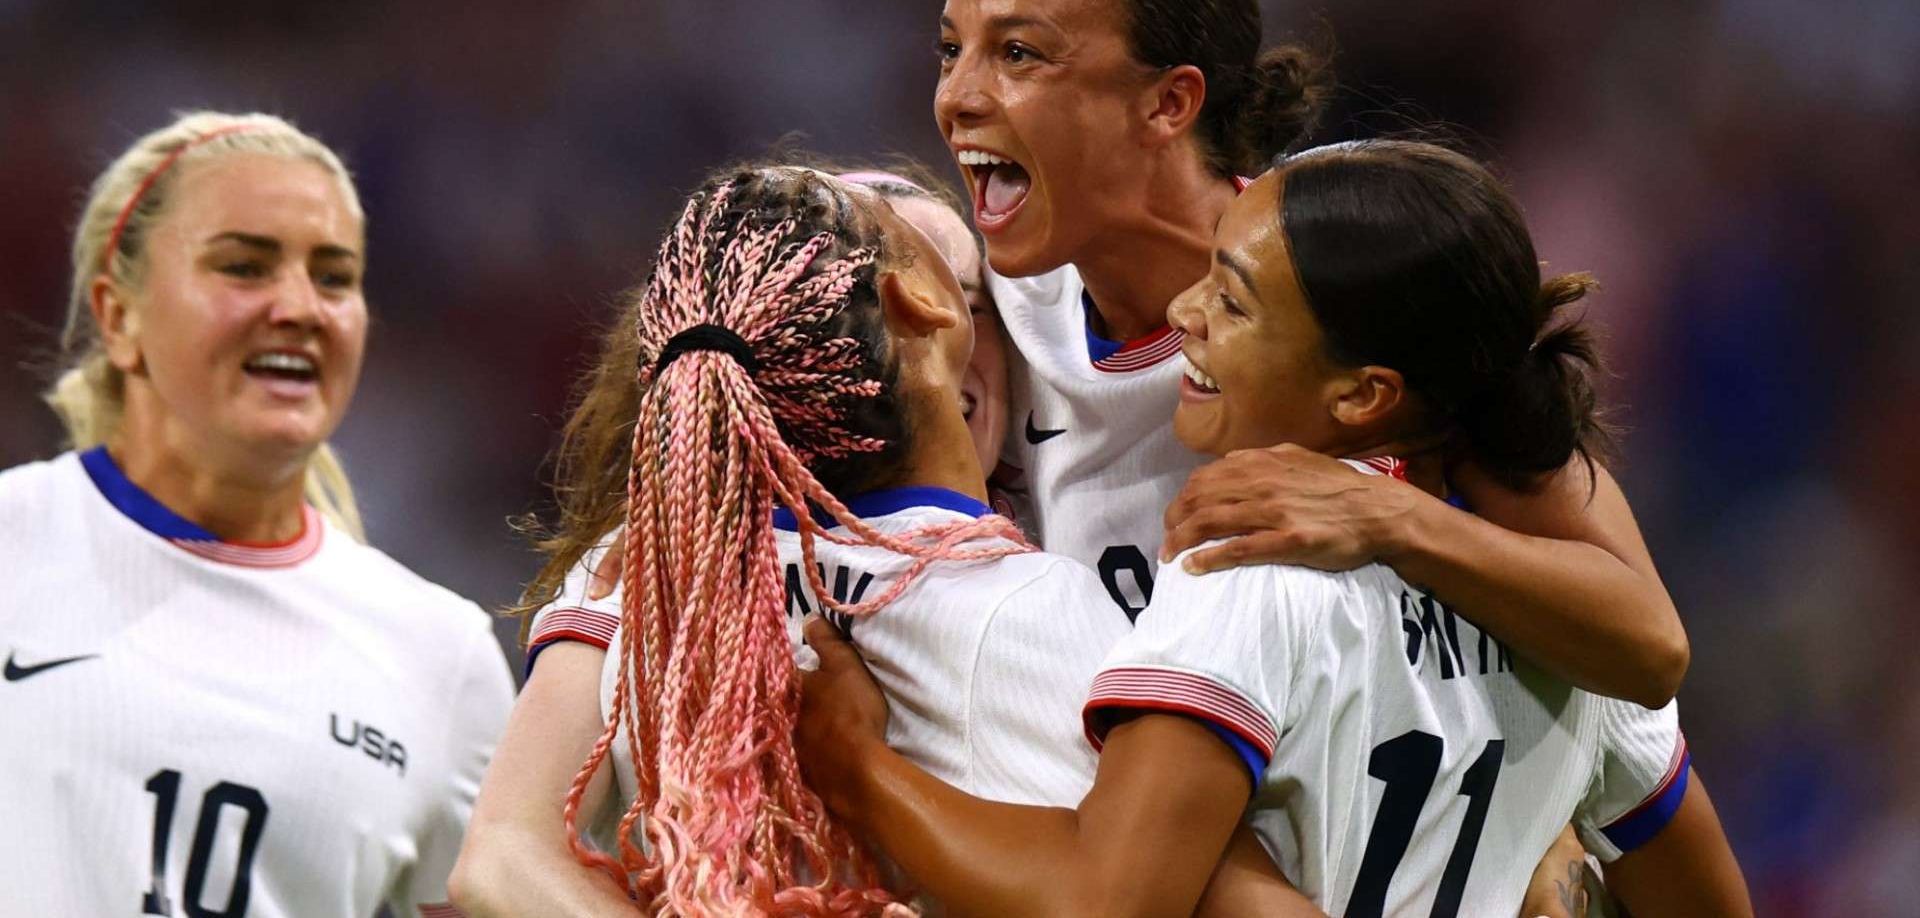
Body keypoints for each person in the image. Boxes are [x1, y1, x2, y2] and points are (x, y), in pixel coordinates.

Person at [797, 142, 1753, 917]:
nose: (1185, 314)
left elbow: (1108, 903)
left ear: (1364, 394)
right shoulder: (1566, 622)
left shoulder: (1242, 565)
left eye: (1232, 298)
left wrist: (862, 769)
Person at [453, 166, 1301, 915]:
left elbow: (506, 855)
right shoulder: (1025, 605)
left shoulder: (663, 576)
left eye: (984, 303)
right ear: (915, 314)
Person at [940, 0, 1688, 708]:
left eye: (1018, 54)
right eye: (951, 51)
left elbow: (1647, 647)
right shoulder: (964, 314)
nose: (957, 97)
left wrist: (1386, 517)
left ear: (1170, 102)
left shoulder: (1352, 274)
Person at [0, 111, 515, 917]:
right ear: (118, 316)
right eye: (244, 266)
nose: (300, 307)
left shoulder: (441, 661)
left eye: (335, 277)